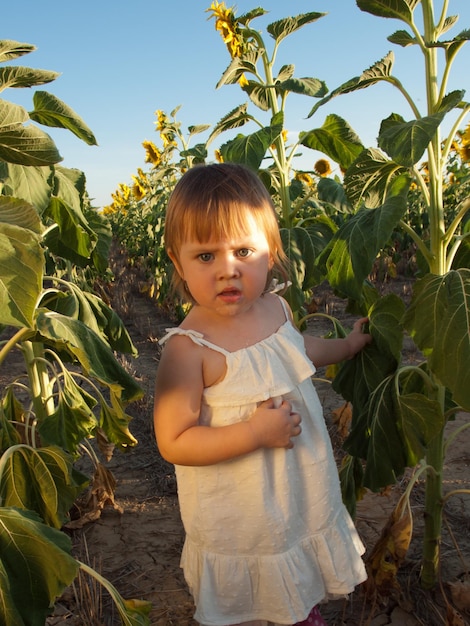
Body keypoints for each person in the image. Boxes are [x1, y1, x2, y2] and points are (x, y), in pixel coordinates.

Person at [153, 163, 371, 626]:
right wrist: (253, 432)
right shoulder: (188, 350)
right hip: (242, 517)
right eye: (206, 256)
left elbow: (301, 348)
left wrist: (348, 347)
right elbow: (174, 441)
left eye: (243, 251)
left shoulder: (276, 307)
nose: (227, 271)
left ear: (270, 253)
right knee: (252, 607)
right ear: (178, 262)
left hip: (296, 494)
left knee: (294, 578)